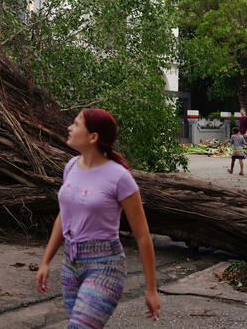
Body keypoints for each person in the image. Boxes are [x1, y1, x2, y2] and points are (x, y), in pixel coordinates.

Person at [36, 109, 161, 326]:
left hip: (106, 266)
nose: (69, 128)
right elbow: (64, 216)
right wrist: (46, 261)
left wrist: (151, 289)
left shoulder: (120, 177)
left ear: (93, 137)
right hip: (70, 265)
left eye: (76, 124)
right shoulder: (71, 166)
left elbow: (142, 235)